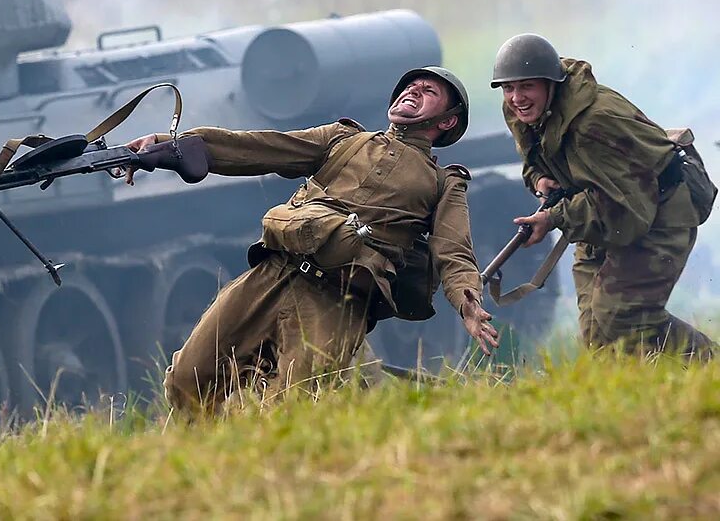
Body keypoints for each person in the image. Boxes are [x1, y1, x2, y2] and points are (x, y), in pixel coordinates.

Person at [126, 67, 498, 414]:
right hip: (273, 274)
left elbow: (454, 252)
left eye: (428, 91)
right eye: (409, 87)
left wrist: (468, 304)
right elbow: (260, 147)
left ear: (447, 121)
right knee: (187, 380)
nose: (412, 92)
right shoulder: (343, 139)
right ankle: (205, 454)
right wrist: (166, 146)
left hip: (336, 300)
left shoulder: (443, 183)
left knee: (293, 408)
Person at [492, 33, 715, 360]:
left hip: (658, 211)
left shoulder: (593, 122)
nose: (516, 98)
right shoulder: (521, 110)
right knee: (599, 336)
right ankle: (637, 390)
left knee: (623, 319)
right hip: (601, 214)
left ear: (550, 84)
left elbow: (627, 206)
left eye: (527, 86)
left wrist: (553, 217)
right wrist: (539, 179)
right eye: (508, 88)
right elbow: (533, 158)